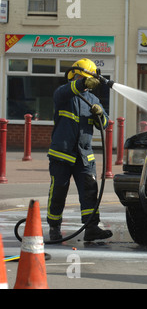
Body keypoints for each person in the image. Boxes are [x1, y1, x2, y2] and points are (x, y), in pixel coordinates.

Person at [47, 58, 113, 242]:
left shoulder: (93, 99)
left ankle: (91, 227)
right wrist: (82, 83)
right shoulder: (63, 94)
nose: (78, 78)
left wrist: (100, 114)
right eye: (77, 76)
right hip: (62, 153)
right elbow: (67, 90)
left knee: (90, 191)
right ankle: (54, 227)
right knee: (59, 190)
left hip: (84, 155)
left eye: (81, 77)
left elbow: (105, 124)